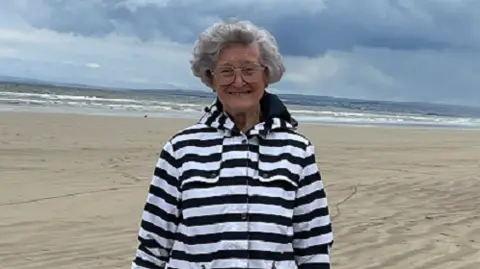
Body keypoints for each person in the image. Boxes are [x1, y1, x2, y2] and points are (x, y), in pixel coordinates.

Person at [131, 19, 334, 269]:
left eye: (249, 70)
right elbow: (152, 249)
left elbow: (313, 249)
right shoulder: (180, 150)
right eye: (227, 71)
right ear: (211, 78)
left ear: (267, 74)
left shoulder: (297, 151)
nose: (238, 82)